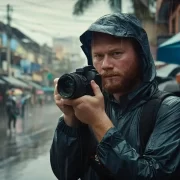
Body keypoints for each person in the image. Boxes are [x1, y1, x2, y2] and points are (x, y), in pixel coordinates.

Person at [50, 13, 180, 180]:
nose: (105, 65)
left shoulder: (170, 109)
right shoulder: (90, 107)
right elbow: (65, 173)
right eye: (98, 56)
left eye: (116, 54)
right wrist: (69, 121)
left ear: (140, 56)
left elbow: (153, 175)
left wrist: (98, 122)